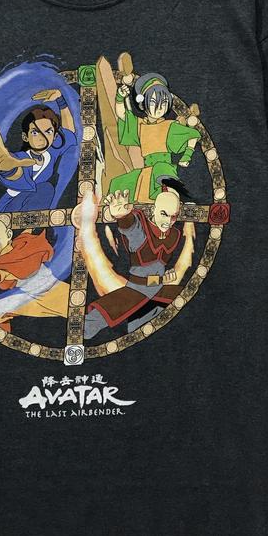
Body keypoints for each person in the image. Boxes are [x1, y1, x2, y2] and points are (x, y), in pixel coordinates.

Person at [84, 188, 187, 340]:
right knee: (96, 320)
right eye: (164, 214)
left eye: (174, 216)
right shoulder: (142, 231)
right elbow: (132, 230)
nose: (168, 222)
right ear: (154, 209)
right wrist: (123, 217)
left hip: (159, 290)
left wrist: (163, 279)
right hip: (136, 290)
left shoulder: (174, 234)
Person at [0, 89, 77, 211]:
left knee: (45, 189)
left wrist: (60, 100)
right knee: (45, 189)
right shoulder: (20, 159)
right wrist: (8, 170)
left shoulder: (51, 152)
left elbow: (69, 132)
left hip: (34, 208)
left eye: (48, 132)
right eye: (35, 132)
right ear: (25, 137)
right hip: (10, 208)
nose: (42, 138)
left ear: (55, 136)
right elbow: (17, 172)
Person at [0, 218, 68, 332]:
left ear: (9, 234)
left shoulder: (22, 243)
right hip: (34, 299)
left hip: (56, 294)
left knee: (72, 307)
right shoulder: (0, 264)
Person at [109, 73, 201, 202]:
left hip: (164, 168)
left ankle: (173, 199)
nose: (159, 108)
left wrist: (187, 155)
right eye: (153, 102)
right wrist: (120, 98)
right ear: (143, 104)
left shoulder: (170, 126)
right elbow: (122, 115)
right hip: (146, 171)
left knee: (162, 177)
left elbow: (193, 135)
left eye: (164, 102)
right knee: (118, 183)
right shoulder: (140, 125)